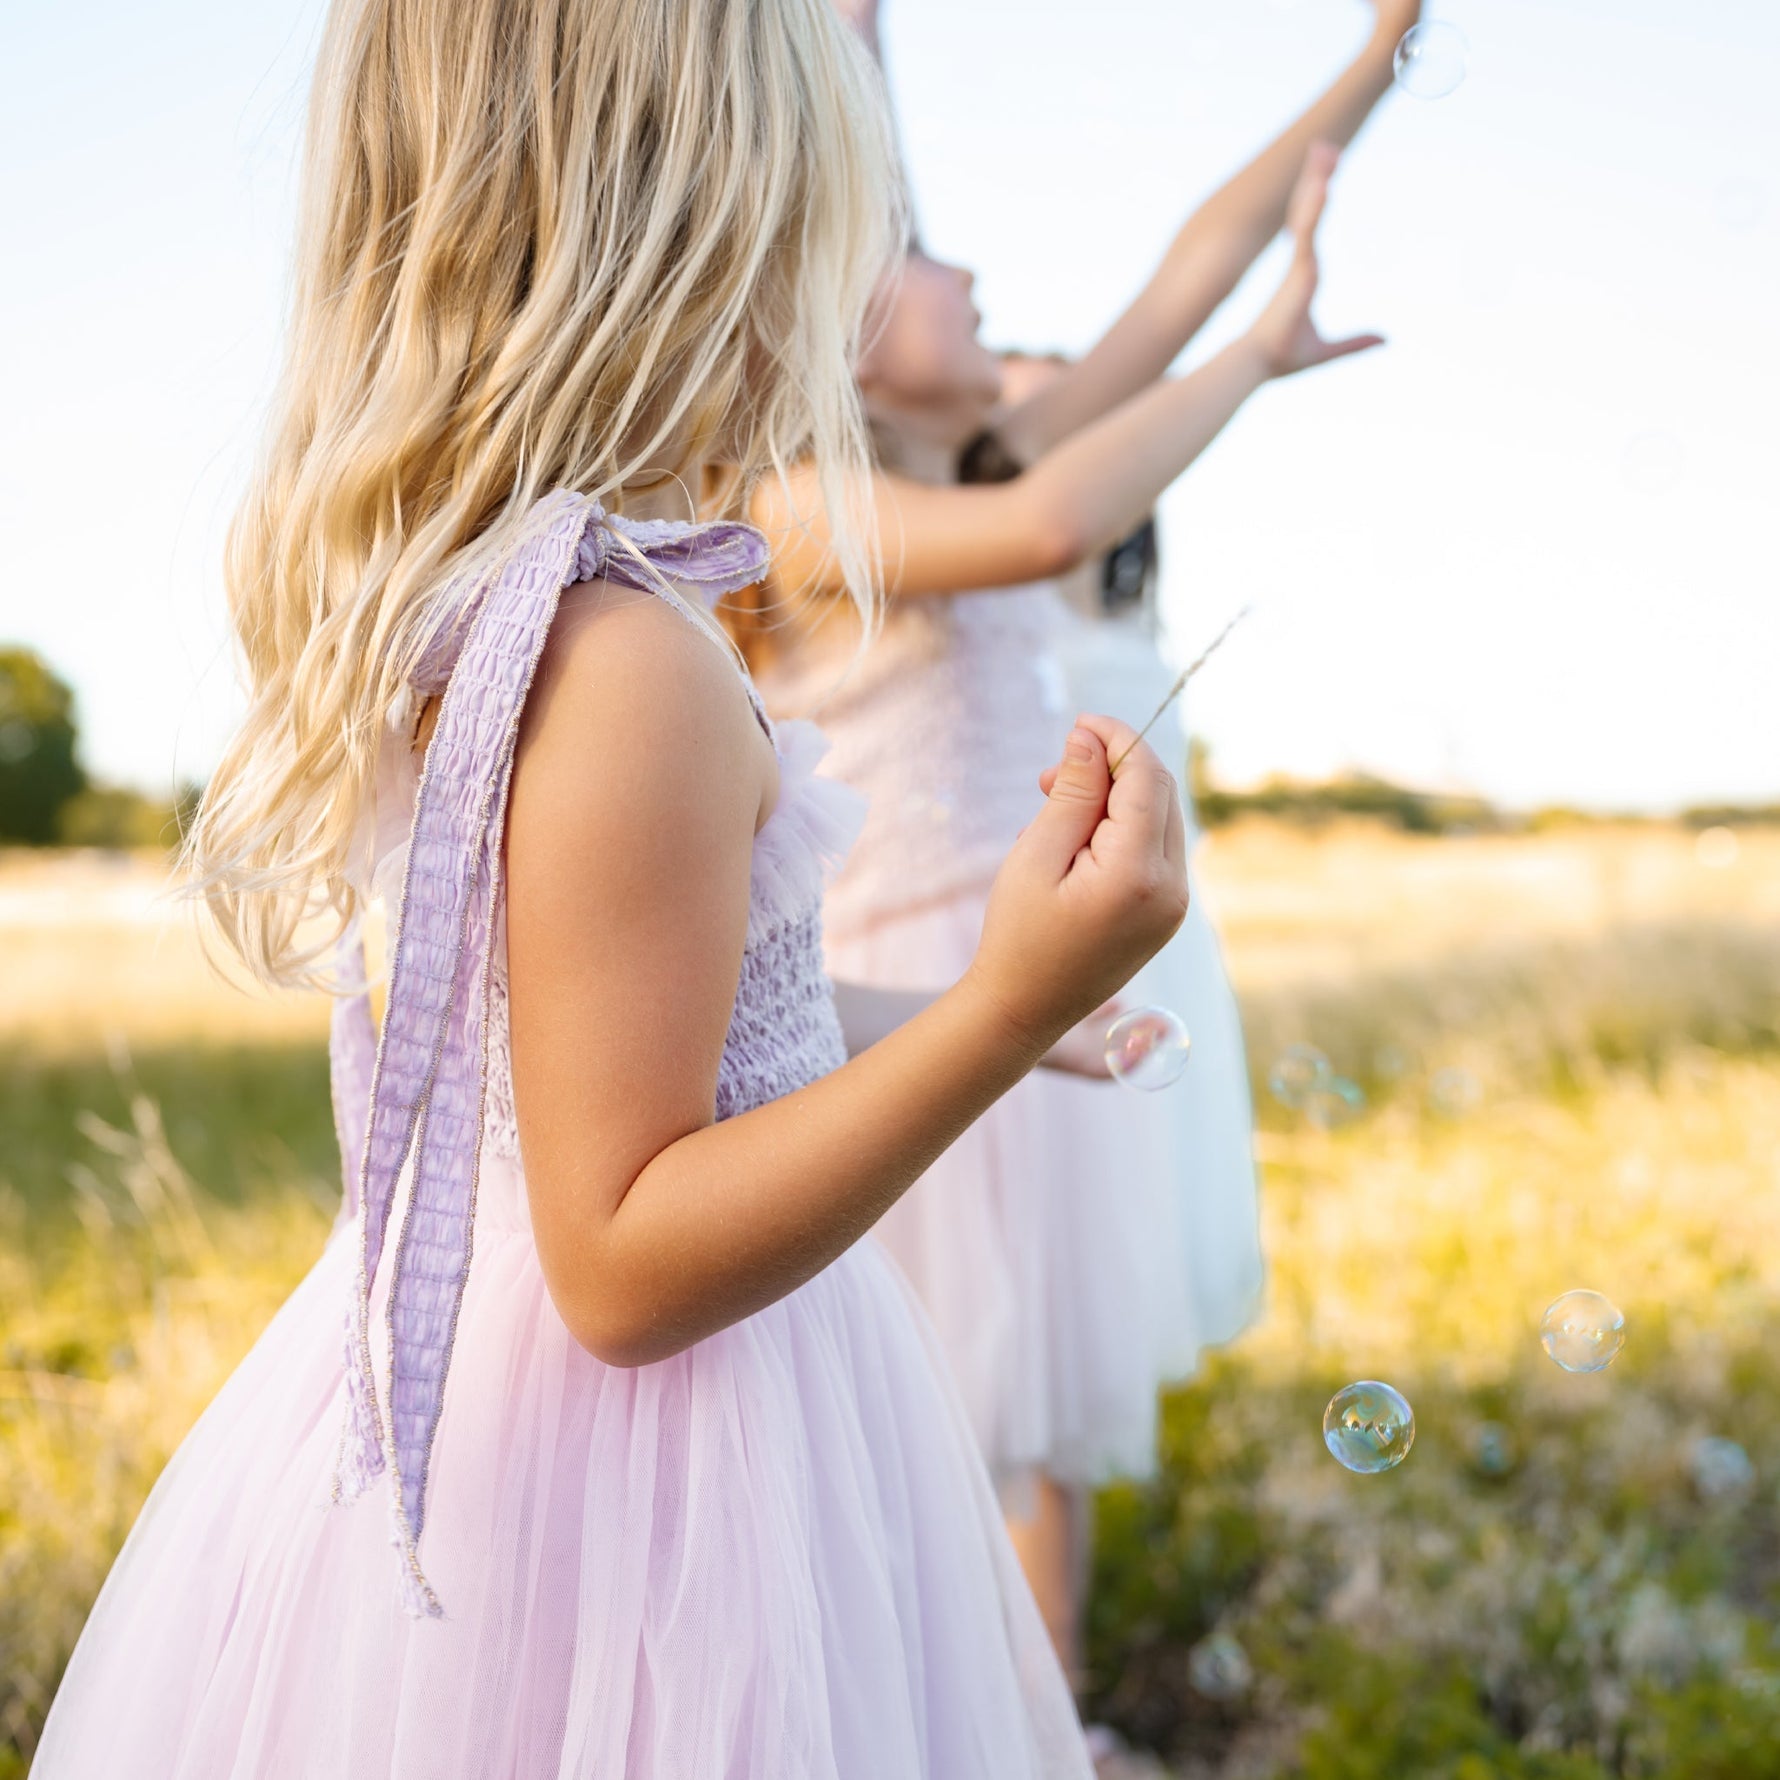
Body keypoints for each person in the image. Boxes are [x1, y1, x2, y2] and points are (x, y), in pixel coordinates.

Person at [31, 1, 1192, 1774]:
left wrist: (996, 1021)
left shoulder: (520, 602)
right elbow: (629, 1261)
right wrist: (1002, 1003)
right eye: (833, 218)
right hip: (662, 1480)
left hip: (537, 1442)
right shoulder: (625, 657)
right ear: (725, 232)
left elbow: (659, 1030)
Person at [747, 0, 1422, 1682]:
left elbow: (1193, 261)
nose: (973, 284)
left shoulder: (973, 446)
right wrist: (1256, 362)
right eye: (929, 261)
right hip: (895, 998)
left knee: (1043, 1402)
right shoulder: (806, 500)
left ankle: (1041, 1709)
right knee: (914, 1408)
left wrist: (1371, 62)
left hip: (1021, 982)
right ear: (827, 314)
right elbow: (1055, 524)